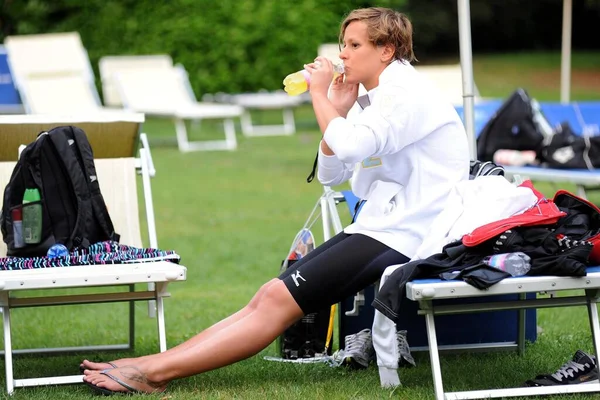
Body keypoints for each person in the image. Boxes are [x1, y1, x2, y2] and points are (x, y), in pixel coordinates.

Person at [82, 7, 469, 395]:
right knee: (270, 295)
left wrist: (319, 95)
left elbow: (351, 144)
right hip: (383, 225)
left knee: (277, 305)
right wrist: (337, 109)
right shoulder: (378, 96)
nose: (343, 54)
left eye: (354, 45)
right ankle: (148, 365)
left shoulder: (404, 95)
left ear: (386, 50)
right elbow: (332, 175)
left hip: (410, 233)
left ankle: (152, 375)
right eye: (343, 44)